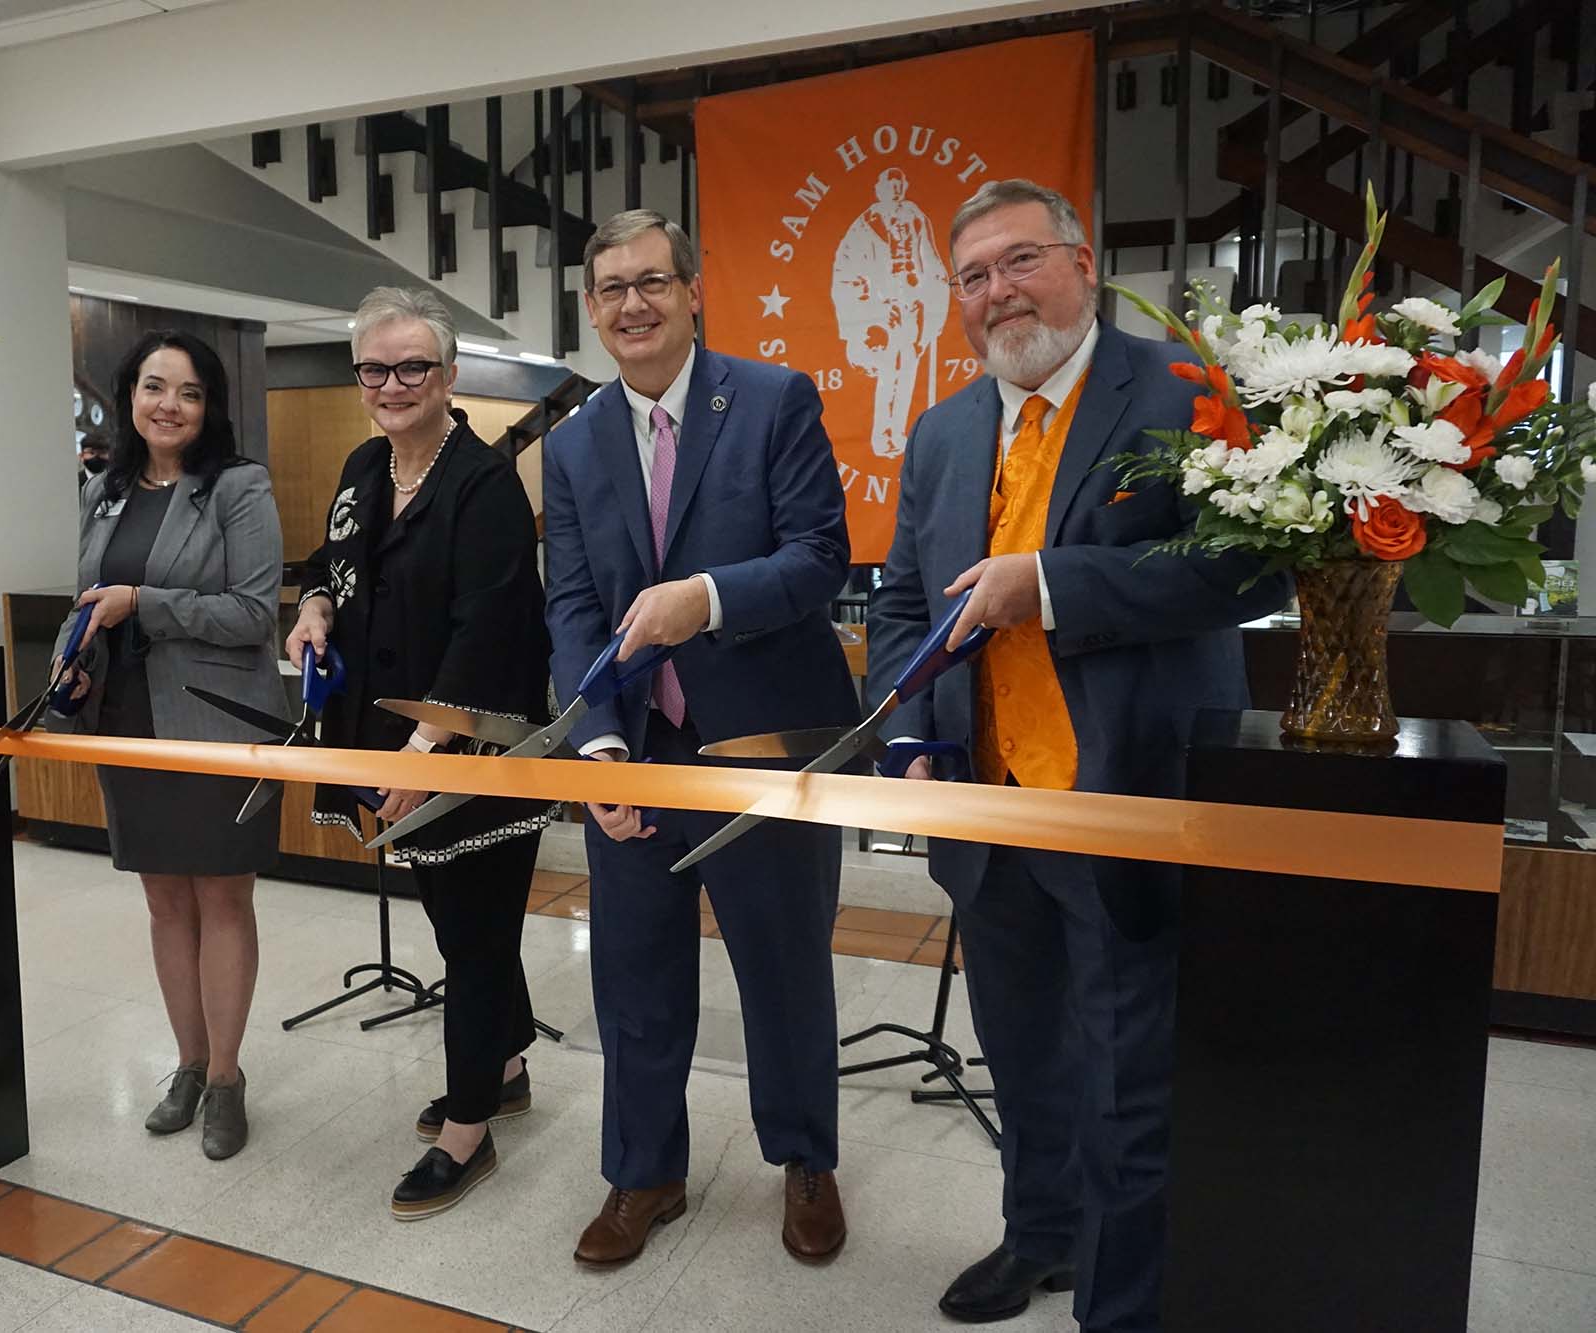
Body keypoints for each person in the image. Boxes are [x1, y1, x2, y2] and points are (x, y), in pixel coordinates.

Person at [866, 179, 1289, 1331]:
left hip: (1127, 801)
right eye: (971, 276)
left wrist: (1050, 585)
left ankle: (1123, 1300)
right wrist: (907, 738)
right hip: (988, 811)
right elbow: (902, 603)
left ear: (1079, 262)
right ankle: (1039, 1236)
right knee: (1023, 1057)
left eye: (1018, 262)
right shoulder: (946, 430)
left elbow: (1250, 568)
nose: (996, 292)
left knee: (1128, 1084)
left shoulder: (1179, 390)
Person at [542, 209, 860, 1268]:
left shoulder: (769, 400)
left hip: (765, 746)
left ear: (692, 291)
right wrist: (592, 746)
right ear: (591, 311)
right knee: (632, 972)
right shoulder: (572, 442)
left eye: (651, 282)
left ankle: (805, 1159)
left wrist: (707, 599)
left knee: (782, 964)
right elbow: (574, 607)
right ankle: (642, 1173)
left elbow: (820, 556)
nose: (631, 304)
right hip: (635, 749)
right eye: (610, 289)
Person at [284, 286, 555, 1220]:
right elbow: (333, 561)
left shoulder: (482, 485)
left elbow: (490, 629)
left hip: (469, 755)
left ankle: (469, 1127)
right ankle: (506, 1062)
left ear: (448, 377)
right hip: (388, 744)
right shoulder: (365, 465)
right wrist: (314, 605)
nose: (391, 384)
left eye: (412, 367)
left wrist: (424, 749)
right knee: (457, 924)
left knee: (476, 936)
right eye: (374, 368)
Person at [51, 329, 286, 1162]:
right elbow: (88, 598)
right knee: (163, 901)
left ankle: (226, 1077)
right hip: (127, 716)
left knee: (222, 898)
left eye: (188, 392)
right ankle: (185, 1063)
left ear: (209, 405)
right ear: (130, 396)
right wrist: (72, 662)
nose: (169, 406)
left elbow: (256, 613)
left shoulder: (237, 488)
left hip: (218, 720)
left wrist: (142, 602)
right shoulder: (103, 490)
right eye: (155, 388)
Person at [832, 166, 950, 458]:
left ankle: (898, 431)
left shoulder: (915, 217)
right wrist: (874, 305)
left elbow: (930, 257)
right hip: (884, 311)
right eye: (890, 184)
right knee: (889, 370)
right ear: (879, 188)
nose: (895, 189)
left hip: (914, 304)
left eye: (900, 183)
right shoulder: (865, 224)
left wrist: (936, 294)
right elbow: (847, 269)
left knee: (908, 367)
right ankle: (881, 435)